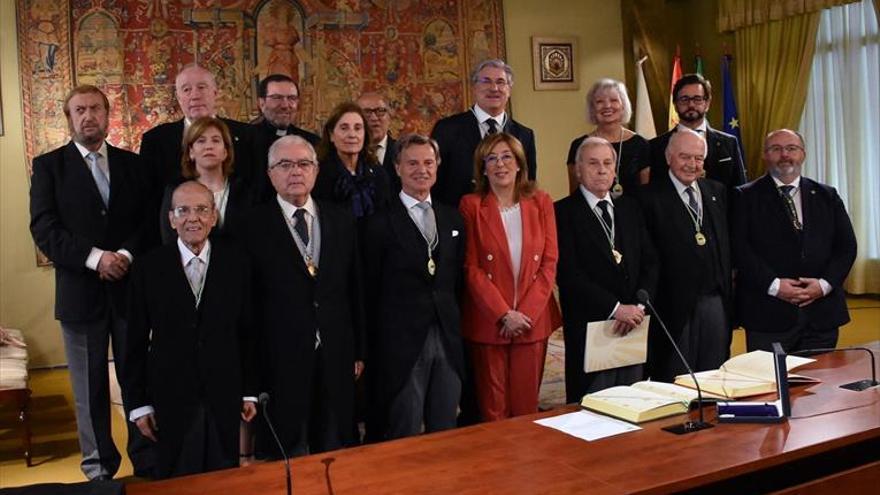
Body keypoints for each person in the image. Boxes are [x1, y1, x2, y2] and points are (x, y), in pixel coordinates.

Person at [29, 85, 153, 480]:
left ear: (107, 114)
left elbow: (148, 221)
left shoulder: (132, 165)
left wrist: (126, 256)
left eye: (95, 109)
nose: (88, 116)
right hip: (80, 294)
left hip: (130, 289)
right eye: (79, 110)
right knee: (89, 386)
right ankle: (99, 468)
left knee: (137, 377)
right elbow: (44, 228)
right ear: (69, 117)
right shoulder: (49, 166)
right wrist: (96, 258)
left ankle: (147, 461)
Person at [121, 181, 257, 478]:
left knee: (224, 478)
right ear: (171, 219)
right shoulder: (148, 268)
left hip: (224, 391)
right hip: (170, 395)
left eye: (201, 210)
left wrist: (249, 392)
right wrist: (138, 404)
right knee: (179, 476)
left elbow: (247, 333)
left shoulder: (237, 263)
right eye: (183, 210)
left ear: (213, 216)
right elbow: (132, 343)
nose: (192, 218)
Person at [240, 135, 365, 457]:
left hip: (336, 353)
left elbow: (356, 289)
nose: (295, 171)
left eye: (303, 164)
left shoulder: (341, 219)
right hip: (280, 358)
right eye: (285, 164)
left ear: (316, 170)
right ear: (270, 173)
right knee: (287, 456)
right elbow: (247, 306)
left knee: (337, 453)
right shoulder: (251, 225)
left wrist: (359, 349)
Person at [362, 133, 466, 439]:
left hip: (446, 335)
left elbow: (457, 280)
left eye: (428, 162)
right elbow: (370, 289)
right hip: (401, 341)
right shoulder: (377, 224)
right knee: (405, 425)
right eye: (412, 163)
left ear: (437, 166)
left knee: (445, 424)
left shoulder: (453, 218)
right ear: (397, 168)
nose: (421, 169)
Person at [459, 133, 561, 420]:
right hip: (490, 321)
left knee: (527, 407)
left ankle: (528, 464)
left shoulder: (541, 202)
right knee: (494, 410)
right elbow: (471, 267)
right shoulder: (470, 206)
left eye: (506, 157)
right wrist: (504, 313)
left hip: (533, 320)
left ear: (519, 164)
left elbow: (549, 262)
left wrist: (524, 313)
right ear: (483, 167)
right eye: (491, 158)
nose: (500, 164)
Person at [732, 129, 857, 353]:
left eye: (791, 148)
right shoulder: (744, 196)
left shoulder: (827, 195)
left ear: (803, 154)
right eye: (776, 149)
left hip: (822, 315)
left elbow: (847, 247)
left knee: (820, 385)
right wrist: (775, 286)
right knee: (772, 384)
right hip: (768, 315)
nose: (785, 155)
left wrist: (824, 285)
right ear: (765, 155)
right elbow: (740, 250)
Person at [555, 137, 659, 401]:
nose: (601, 170)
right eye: (593, 163)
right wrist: (615, 309)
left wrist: (638, 306)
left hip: (633, 321)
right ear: (578, 171)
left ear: (615, 170)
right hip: (590, 323)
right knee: (591, 406)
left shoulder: (631, 208)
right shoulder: (562, 213)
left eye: (607, 163)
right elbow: (568, 274)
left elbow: (650, 262)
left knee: (630, 400)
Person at [637, 129, 732, 381]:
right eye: (684, 157)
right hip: (671, 305)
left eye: (698, 158)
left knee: (713, 376)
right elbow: (647, 258)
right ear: (669, 157)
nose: (692, 164)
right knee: (674, 378)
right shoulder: (647, 198)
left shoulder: (717, 191)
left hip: (715, 301)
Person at [432, 59, 537, 207]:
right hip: (459, 219)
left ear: (509, 90)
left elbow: (527, 184)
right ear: (474, 88)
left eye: (501, 82)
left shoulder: (524, 135)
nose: (494, 88)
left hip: (508, 220)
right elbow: (435, 182)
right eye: (486, 81)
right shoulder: (447, 129)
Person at [140, 64, 257, 196]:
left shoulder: (247, 135)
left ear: (215, 93)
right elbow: (148, 196)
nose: (195, 96)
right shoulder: (155, 140)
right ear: (179, 99)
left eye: (201, 87)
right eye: (186, 90)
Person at [159, 117, 256, 244]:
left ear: (225, 152)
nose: (209, 146)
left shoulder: (246, 189)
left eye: (216, 141)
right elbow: (169, 238)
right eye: (201, 141)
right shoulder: (175, 190)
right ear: (191, 152)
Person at [648, 73, 746, 190]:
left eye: (697, 99)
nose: (691, 104)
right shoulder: (656, 146)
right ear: (675, 104)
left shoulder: (729, 143)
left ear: (707, 103)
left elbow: (740, 190)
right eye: (684, 99)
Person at [566, 78, 650, 195]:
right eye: (599, 102)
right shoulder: (579, 146)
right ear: (592, 108)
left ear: (623, 106)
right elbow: (575, 194)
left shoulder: (641, 145)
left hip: (635, 212)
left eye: (614, 100)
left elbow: (647, 193)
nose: (607, 106)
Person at [314, 102, 391, 222]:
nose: (352, 135)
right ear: (331, 135)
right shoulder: (317, 175)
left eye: (358, 128)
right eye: (344, 128)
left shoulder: (378, 173)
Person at [253, 74, 320, 200]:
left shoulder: (312, 142)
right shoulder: (245, 141)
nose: (285, 105)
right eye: (277, 98)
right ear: (261, 103)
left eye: (291, 98)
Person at [357, 92, 399, 191]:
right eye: (367, 112)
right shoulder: (348, 154)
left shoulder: (403, 152)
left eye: (380, 111)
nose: (374, 118)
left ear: (390, 116)